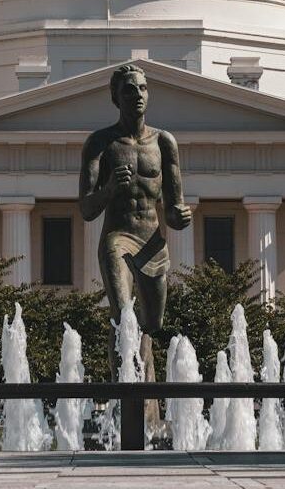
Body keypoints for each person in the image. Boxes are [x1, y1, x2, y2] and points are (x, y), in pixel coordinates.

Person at [79, 63, 192, 382]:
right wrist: (110, 189)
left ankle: (147, 403)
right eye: (129, 89)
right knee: (123, 316)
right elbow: (86, 208)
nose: (137, 95)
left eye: (142, 88)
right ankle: (126, 397)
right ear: (116, 97)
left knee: (151, 324)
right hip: (118, 237)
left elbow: (172, 206)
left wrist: (179, 217)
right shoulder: (100, 144)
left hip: (152, 241)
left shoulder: (164, 142)